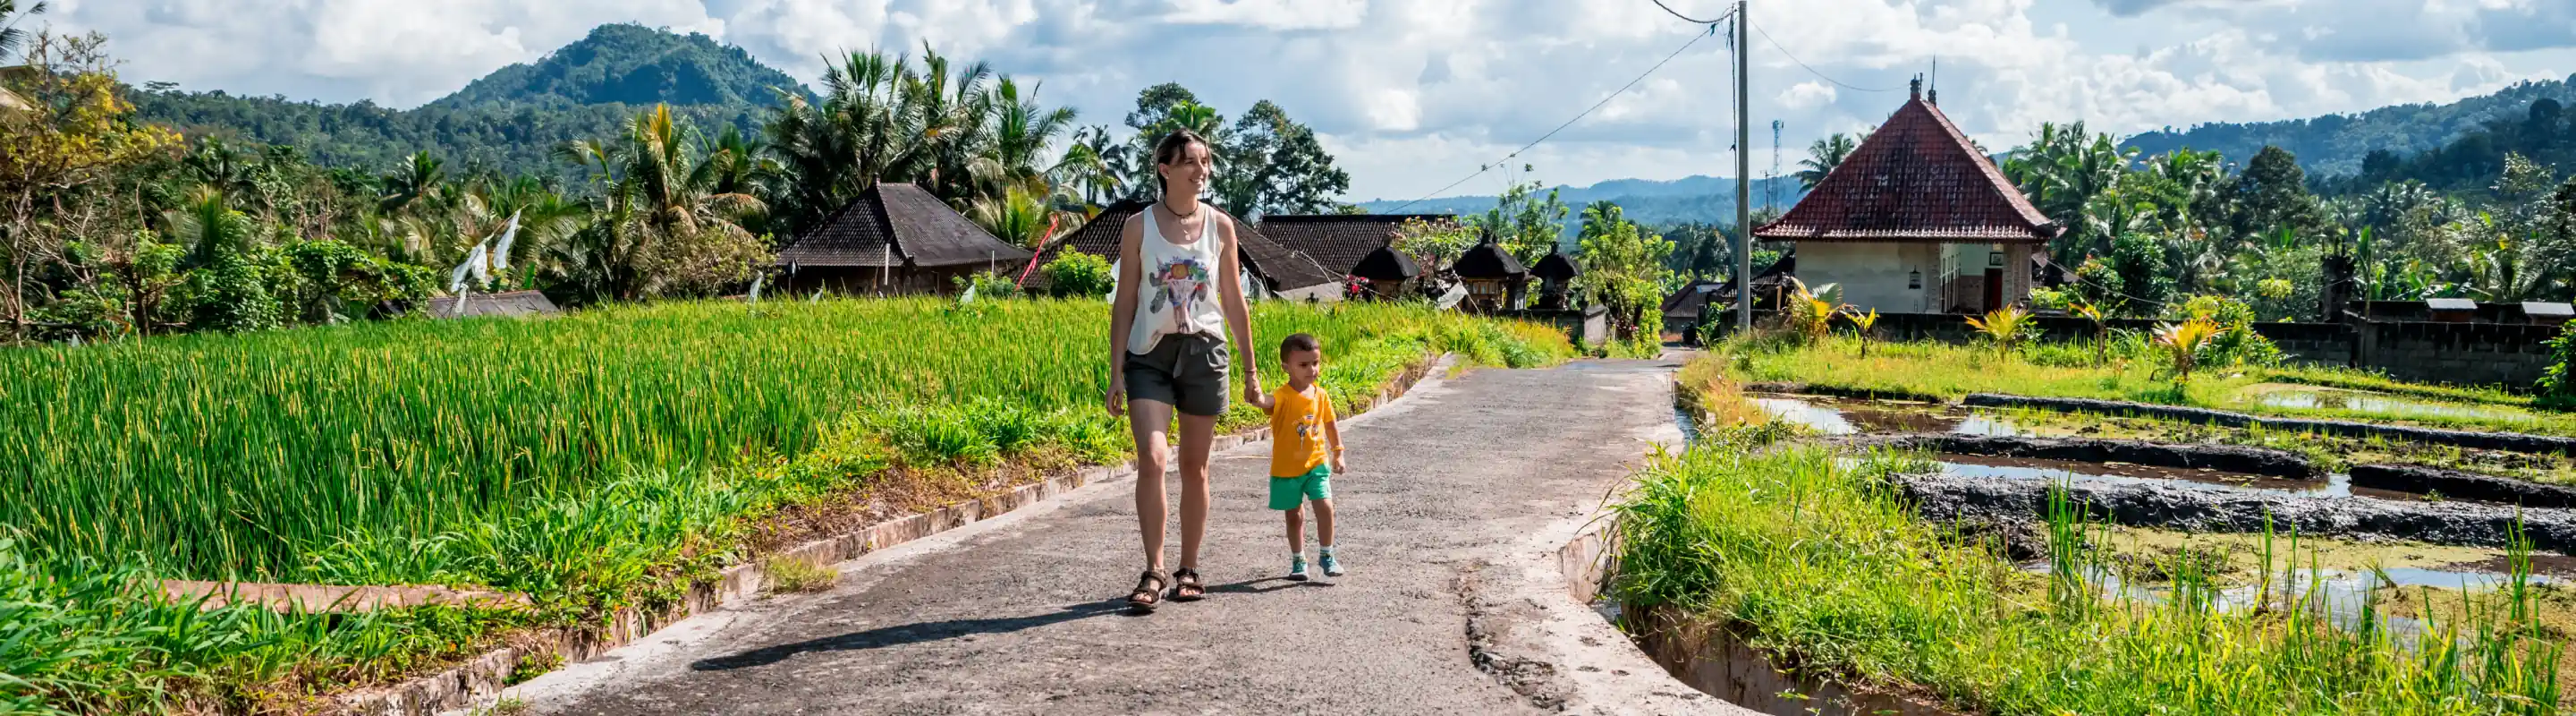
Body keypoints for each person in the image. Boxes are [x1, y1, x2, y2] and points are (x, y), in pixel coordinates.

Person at [1106, 129, 1258, 612]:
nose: (1201, 170)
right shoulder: (1138, 226)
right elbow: (1125, 300)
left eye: (1206, 162)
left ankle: (1188, 567)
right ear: (1165, 169)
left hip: (1205, 352)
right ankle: (1153, 569)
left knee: (1195, 467)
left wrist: (1251, 368)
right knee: (1152, 459)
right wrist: (1115, 371)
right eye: (1191, 162)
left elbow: (1233, 299)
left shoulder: (1221, 227)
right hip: (1148, 354)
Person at [1246, 333, 1347, 580]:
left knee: (1325, 506)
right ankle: (1299, 560)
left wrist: (1338, 453)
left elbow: (1331, 425)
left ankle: (1327, 554)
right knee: (1294, 516)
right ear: (1286, 367)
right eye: (1303, 365)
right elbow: (1265, 401)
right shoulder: (1282, 396)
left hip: (1316, 464)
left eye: (1315, 363)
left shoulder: (1321, 395)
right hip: (1287, 469)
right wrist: (1257, 396)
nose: (1312, 369)